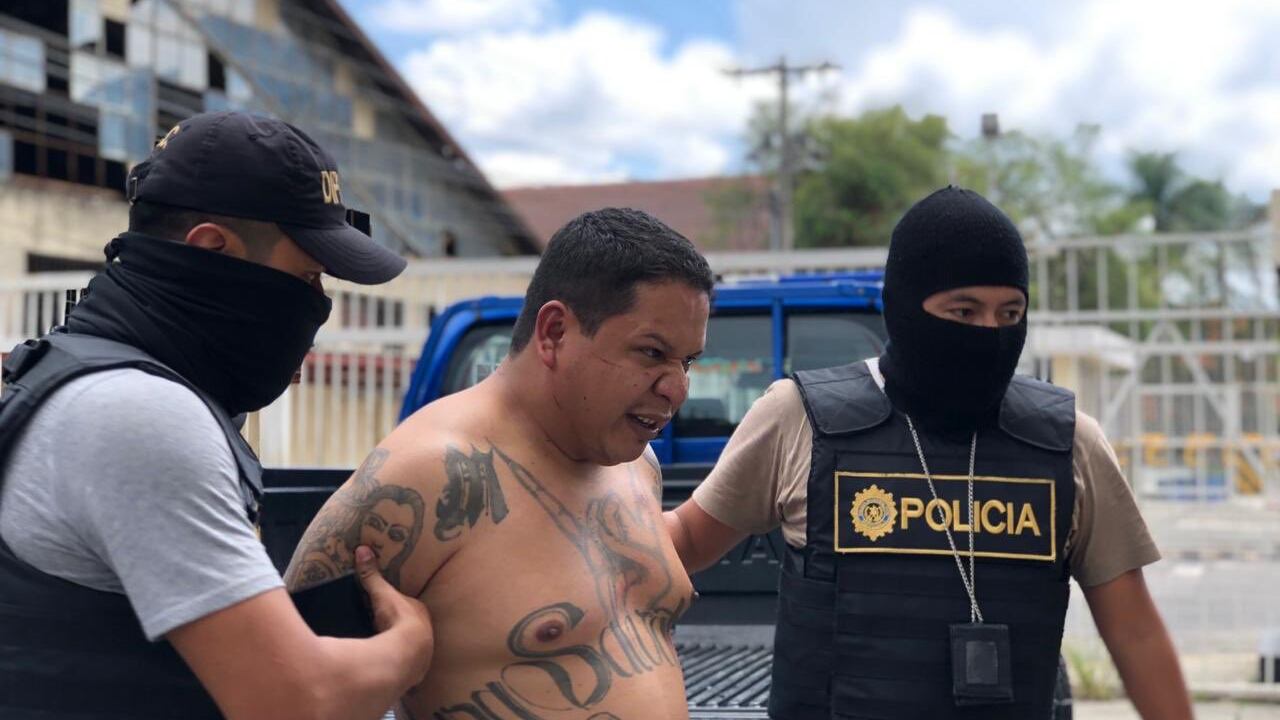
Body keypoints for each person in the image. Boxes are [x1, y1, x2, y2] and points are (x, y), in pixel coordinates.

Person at [665, 186, 1194, 719]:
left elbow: (1135, 631)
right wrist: (612, 497)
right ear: (903, 306)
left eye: (1010, 313)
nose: (989, 333)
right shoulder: (798, 417)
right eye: (964, 311)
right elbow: (684, 541)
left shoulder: (1071, 442)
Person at [0, 111, 433, 719]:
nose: (317, 305)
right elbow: (293, 702)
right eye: (307, 276)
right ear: (212, 250)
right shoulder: (139, 413)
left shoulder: (95, 377)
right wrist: (410, 646)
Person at [286, 208, 713, 719]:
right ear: (554, 331)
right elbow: (278, 693)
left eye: (688, 361)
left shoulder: (636, 464)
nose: (677, 389)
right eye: (652, 353)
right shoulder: (427, 476)